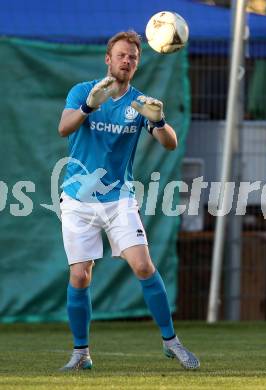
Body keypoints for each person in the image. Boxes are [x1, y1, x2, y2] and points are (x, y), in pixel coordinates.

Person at [58, 30, 200, 371]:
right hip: (78, 198)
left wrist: (160, 121)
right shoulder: (84, 92)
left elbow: (170, 144)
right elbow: (64, 127)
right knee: (80, 276)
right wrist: (89, 105)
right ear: (108, 59)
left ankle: (171, 342)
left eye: (133, 57)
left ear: (137, 64)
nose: (127, 61)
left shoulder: (139, 104)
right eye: (121, 55)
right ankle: (81, 354)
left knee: (143, 265)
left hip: (119, 198)